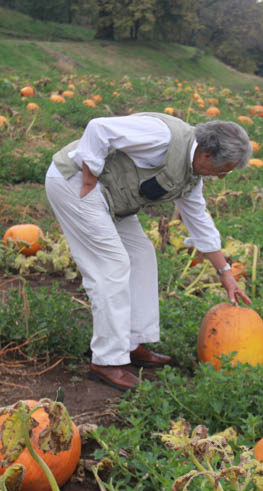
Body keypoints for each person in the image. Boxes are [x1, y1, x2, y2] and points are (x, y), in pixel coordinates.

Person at [44, 112, 252, 392]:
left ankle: (130, 344)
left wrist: (225, 273)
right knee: (111, 266)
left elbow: (200, 222)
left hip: (113, 199)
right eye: (223, 169)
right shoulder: (162, 135)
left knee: (141, 256)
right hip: (75, 184)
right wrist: (90, 173)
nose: (223, 176)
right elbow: (98, 127)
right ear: (205, 154)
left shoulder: (190, 175)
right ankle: (106, 361)